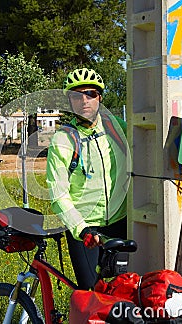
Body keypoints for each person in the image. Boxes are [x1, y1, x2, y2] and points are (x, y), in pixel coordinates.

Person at [46, 68, 129, 290]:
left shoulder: (116, 128)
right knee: (91, 296)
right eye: (76, 96)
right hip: (86, 231)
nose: (84, 101)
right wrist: (82, 229)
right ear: (69, 102)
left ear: (99, 97)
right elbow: (58, 195)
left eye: (90, 94)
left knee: (125, 291)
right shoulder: (62, 140)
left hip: (121, 223)